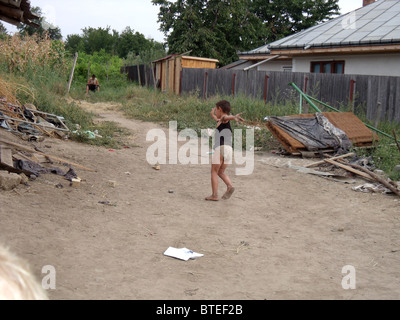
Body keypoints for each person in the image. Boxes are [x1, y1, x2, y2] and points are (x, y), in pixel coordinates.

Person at [205, 100, 244, 201]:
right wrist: (212, 114)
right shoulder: (221, 121)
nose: (216, 113)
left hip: (220, 148)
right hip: (229, 150)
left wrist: (234, 116)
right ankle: (229, 186)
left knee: (214, 171)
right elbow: (218, 119)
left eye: (216, 109)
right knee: (221, 171)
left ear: (220, 109)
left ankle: (214, 195)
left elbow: (226, 117)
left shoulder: (224, 118)